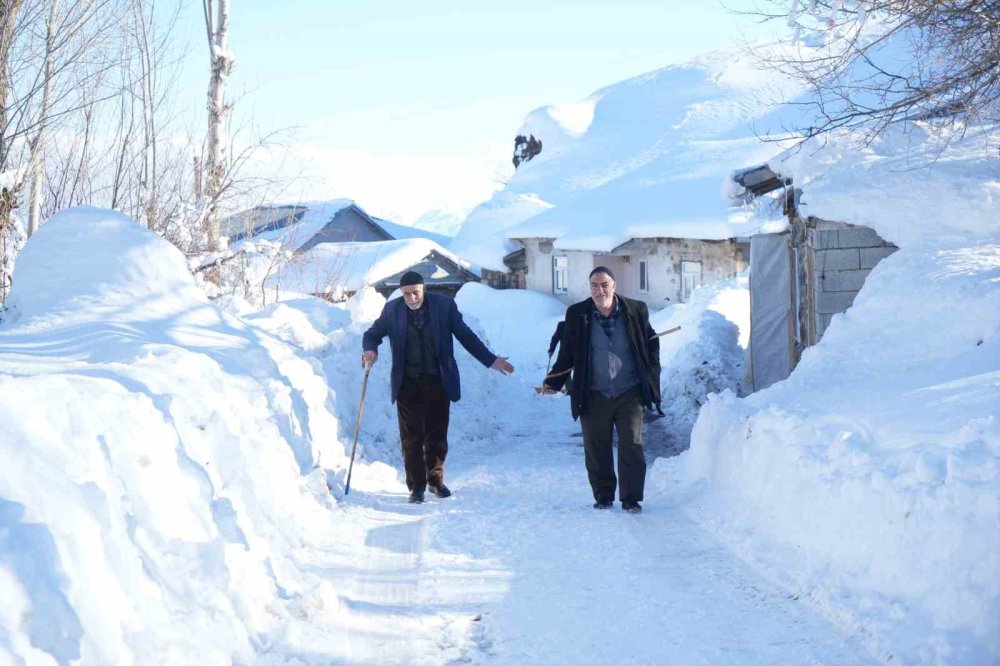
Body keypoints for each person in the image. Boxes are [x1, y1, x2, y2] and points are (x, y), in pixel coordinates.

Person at [362, 271, 515, 503]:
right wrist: (370, 348)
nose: (412, 298)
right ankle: (416, 488)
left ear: (424, 289)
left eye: (416, 292)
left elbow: (466, 335)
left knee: (436, 435)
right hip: (407, 383)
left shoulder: (444, 306)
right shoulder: (392, 310)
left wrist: (491, 360)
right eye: (407, 294)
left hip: (438, 381)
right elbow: (372, 333)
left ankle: (435, 481)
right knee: (411, 438)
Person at [541, 266, 661, 513]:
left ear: (614, 286)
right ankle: (603, 495)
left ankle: (631, 498)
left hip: (629, 391)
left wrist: (650, 377)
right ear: (589, 288)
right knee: (597, 447)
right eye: (594, 285)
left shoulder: (636, 310)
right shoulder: (577, 314)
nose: (600, 290)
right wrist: (553, 381)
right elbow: (568, 354)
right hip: (593, 392)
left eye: (605, 284)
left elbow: (651, 345)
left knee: (632, 444)